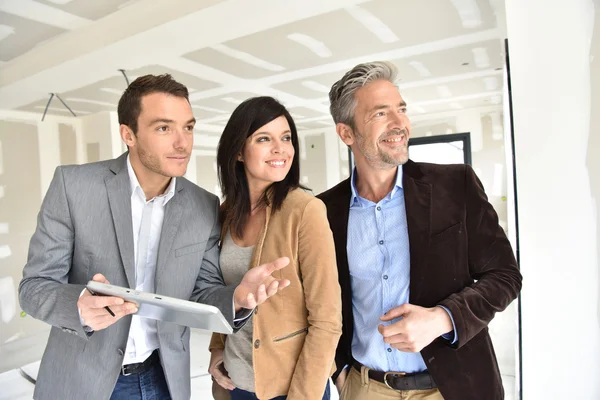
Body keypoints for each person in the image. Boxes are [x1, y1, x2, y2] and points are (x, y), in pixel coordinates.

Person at [19, 74, 291, 400]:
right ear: (128, 134)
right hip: (84, 381)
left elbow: (201, 292)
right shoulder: (73, 187)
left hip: (164, 381)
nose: (182, 142)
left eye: (188, 127)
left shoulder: (203, 206)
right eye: (164, 128)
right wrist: (78, 306)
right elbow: (34, 287)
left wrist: (236, 298)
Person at [317, 61, 523, 400]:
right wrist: (340, 373)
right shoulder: (324, 211)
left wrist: (442, 318)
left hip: (452, 387)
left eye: (401, 109)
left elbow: (505, 276)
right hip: (366, 389)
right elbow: (323, 302)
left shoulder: (455, 185)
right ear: (347, 133)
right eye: (381, 114)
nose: (400, 124)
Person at [207, 96, 342, 400]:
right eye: (264, 138)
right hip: (236, 384)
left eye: (286, 138)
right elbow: (221, 291)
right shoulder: (225, 213)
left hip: (291, 388)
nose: (281, 149)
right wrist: (217, 348)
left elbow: (327, 320)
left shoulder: (305, 211)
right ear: (239, 151)